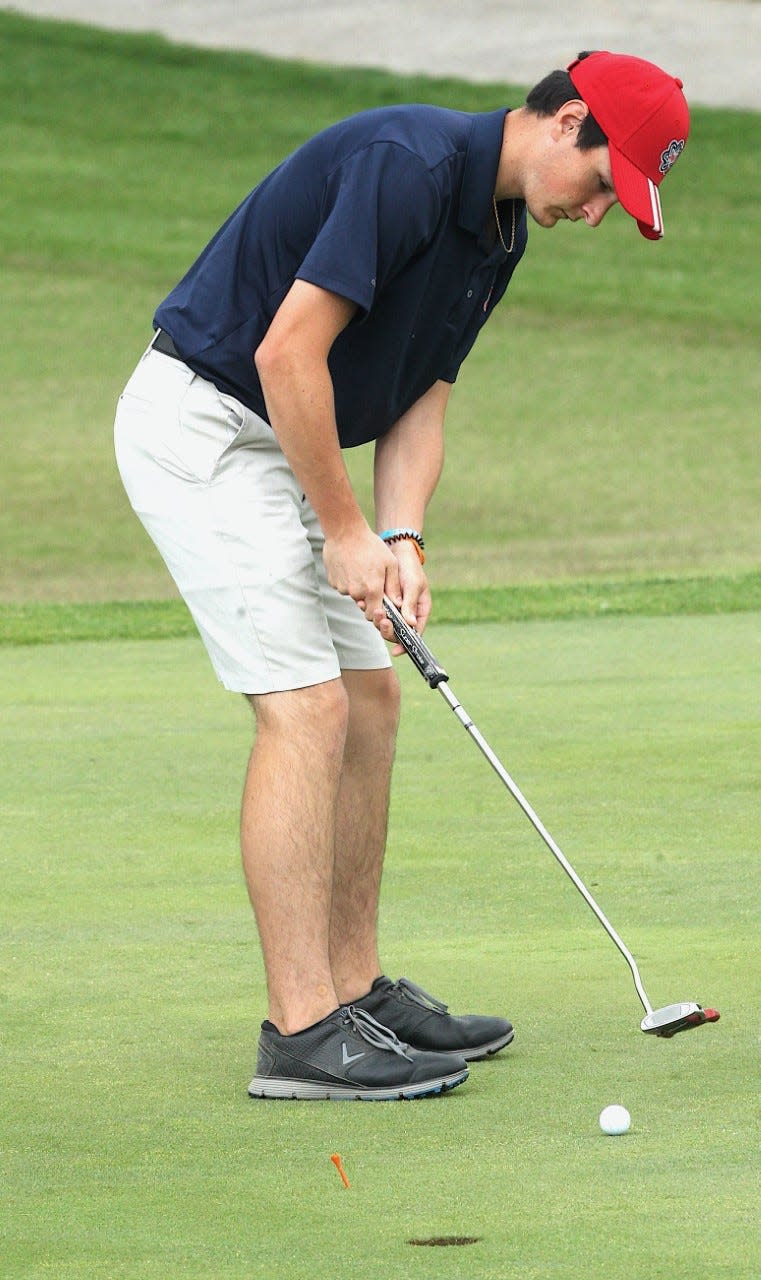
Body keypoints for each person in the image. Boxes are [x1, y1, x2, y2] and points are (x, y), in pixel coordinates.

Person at [114, 50, 689, 1100]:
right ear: (566, 122)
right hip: (209, 425)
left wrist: (401, 537)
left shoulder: (501, 228)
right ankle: (299, 1030)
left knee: (373, 696)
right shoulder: (406, 163)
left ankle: (353, 988)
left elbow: (420, 397)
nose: (598, 213)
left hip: (292, 440)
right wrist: (344, 527)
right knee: (306, 706)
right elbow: (290, 354)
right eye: (605, 184)